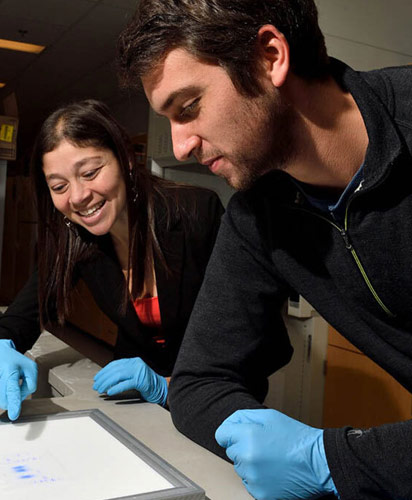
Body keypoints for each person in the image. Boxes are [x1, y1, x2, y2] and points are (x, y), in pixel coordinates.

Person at [117, 1, 412, 499]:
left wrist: (332, 460)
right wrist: (253, 437)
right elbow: (199, 383)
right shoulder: (259, 215)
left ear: (270, 56)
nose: (182, 144)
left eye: (188, 108)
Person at [0, 99, 224, 422]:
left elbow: (252, 341)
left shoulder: (196, 213)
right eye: (59, 186)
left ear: (126, 160)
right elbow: (18, 319)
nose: (77, 196)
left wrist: (167, 386)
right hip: (137, 407)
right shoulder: (74, 238)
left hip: (212, 402)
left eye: (89, 173)